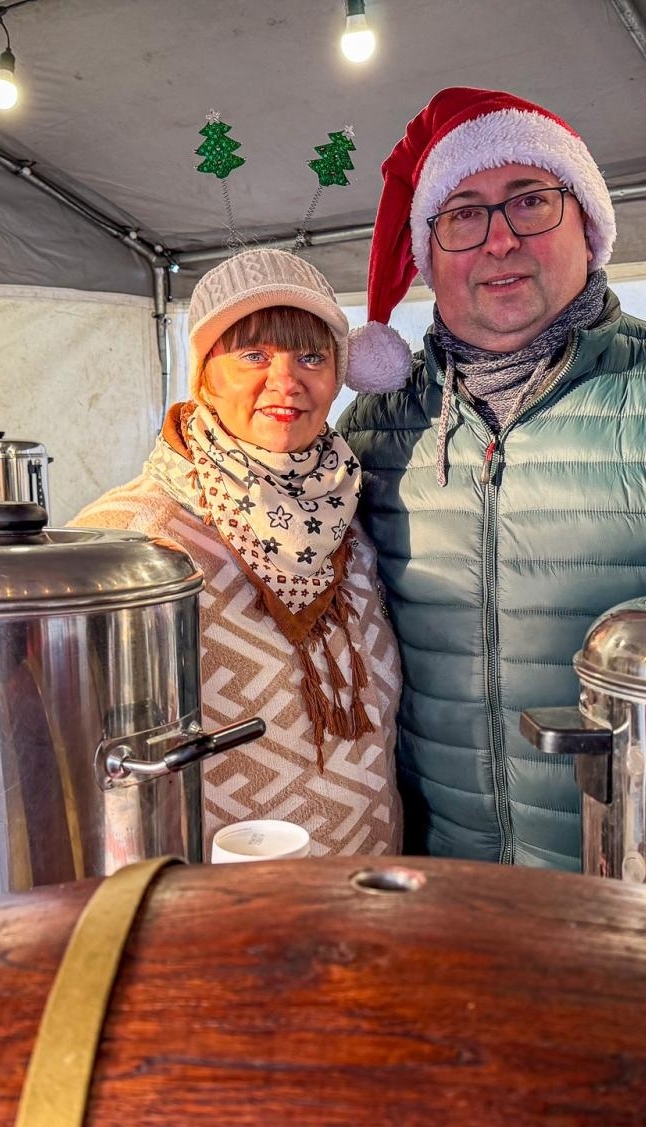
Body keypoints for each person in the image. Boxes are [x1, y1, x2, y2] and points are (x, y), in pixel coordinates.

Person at [336, 87, 646, 869]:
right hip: (437, 879)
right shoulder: (377, 425)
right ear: (427, 249)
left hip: (643, 872)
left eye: (530, 202)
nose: (498, 241)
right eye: (463, 214)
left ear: (589, 223)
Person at [76, 248, 402, 856]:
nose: (286, 381)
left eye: (312, 356)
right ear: (203, 375)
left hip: (368, 881)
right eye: (254, 355)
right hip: (214, 900)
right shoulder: (129, 539)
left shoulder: (353, 508)